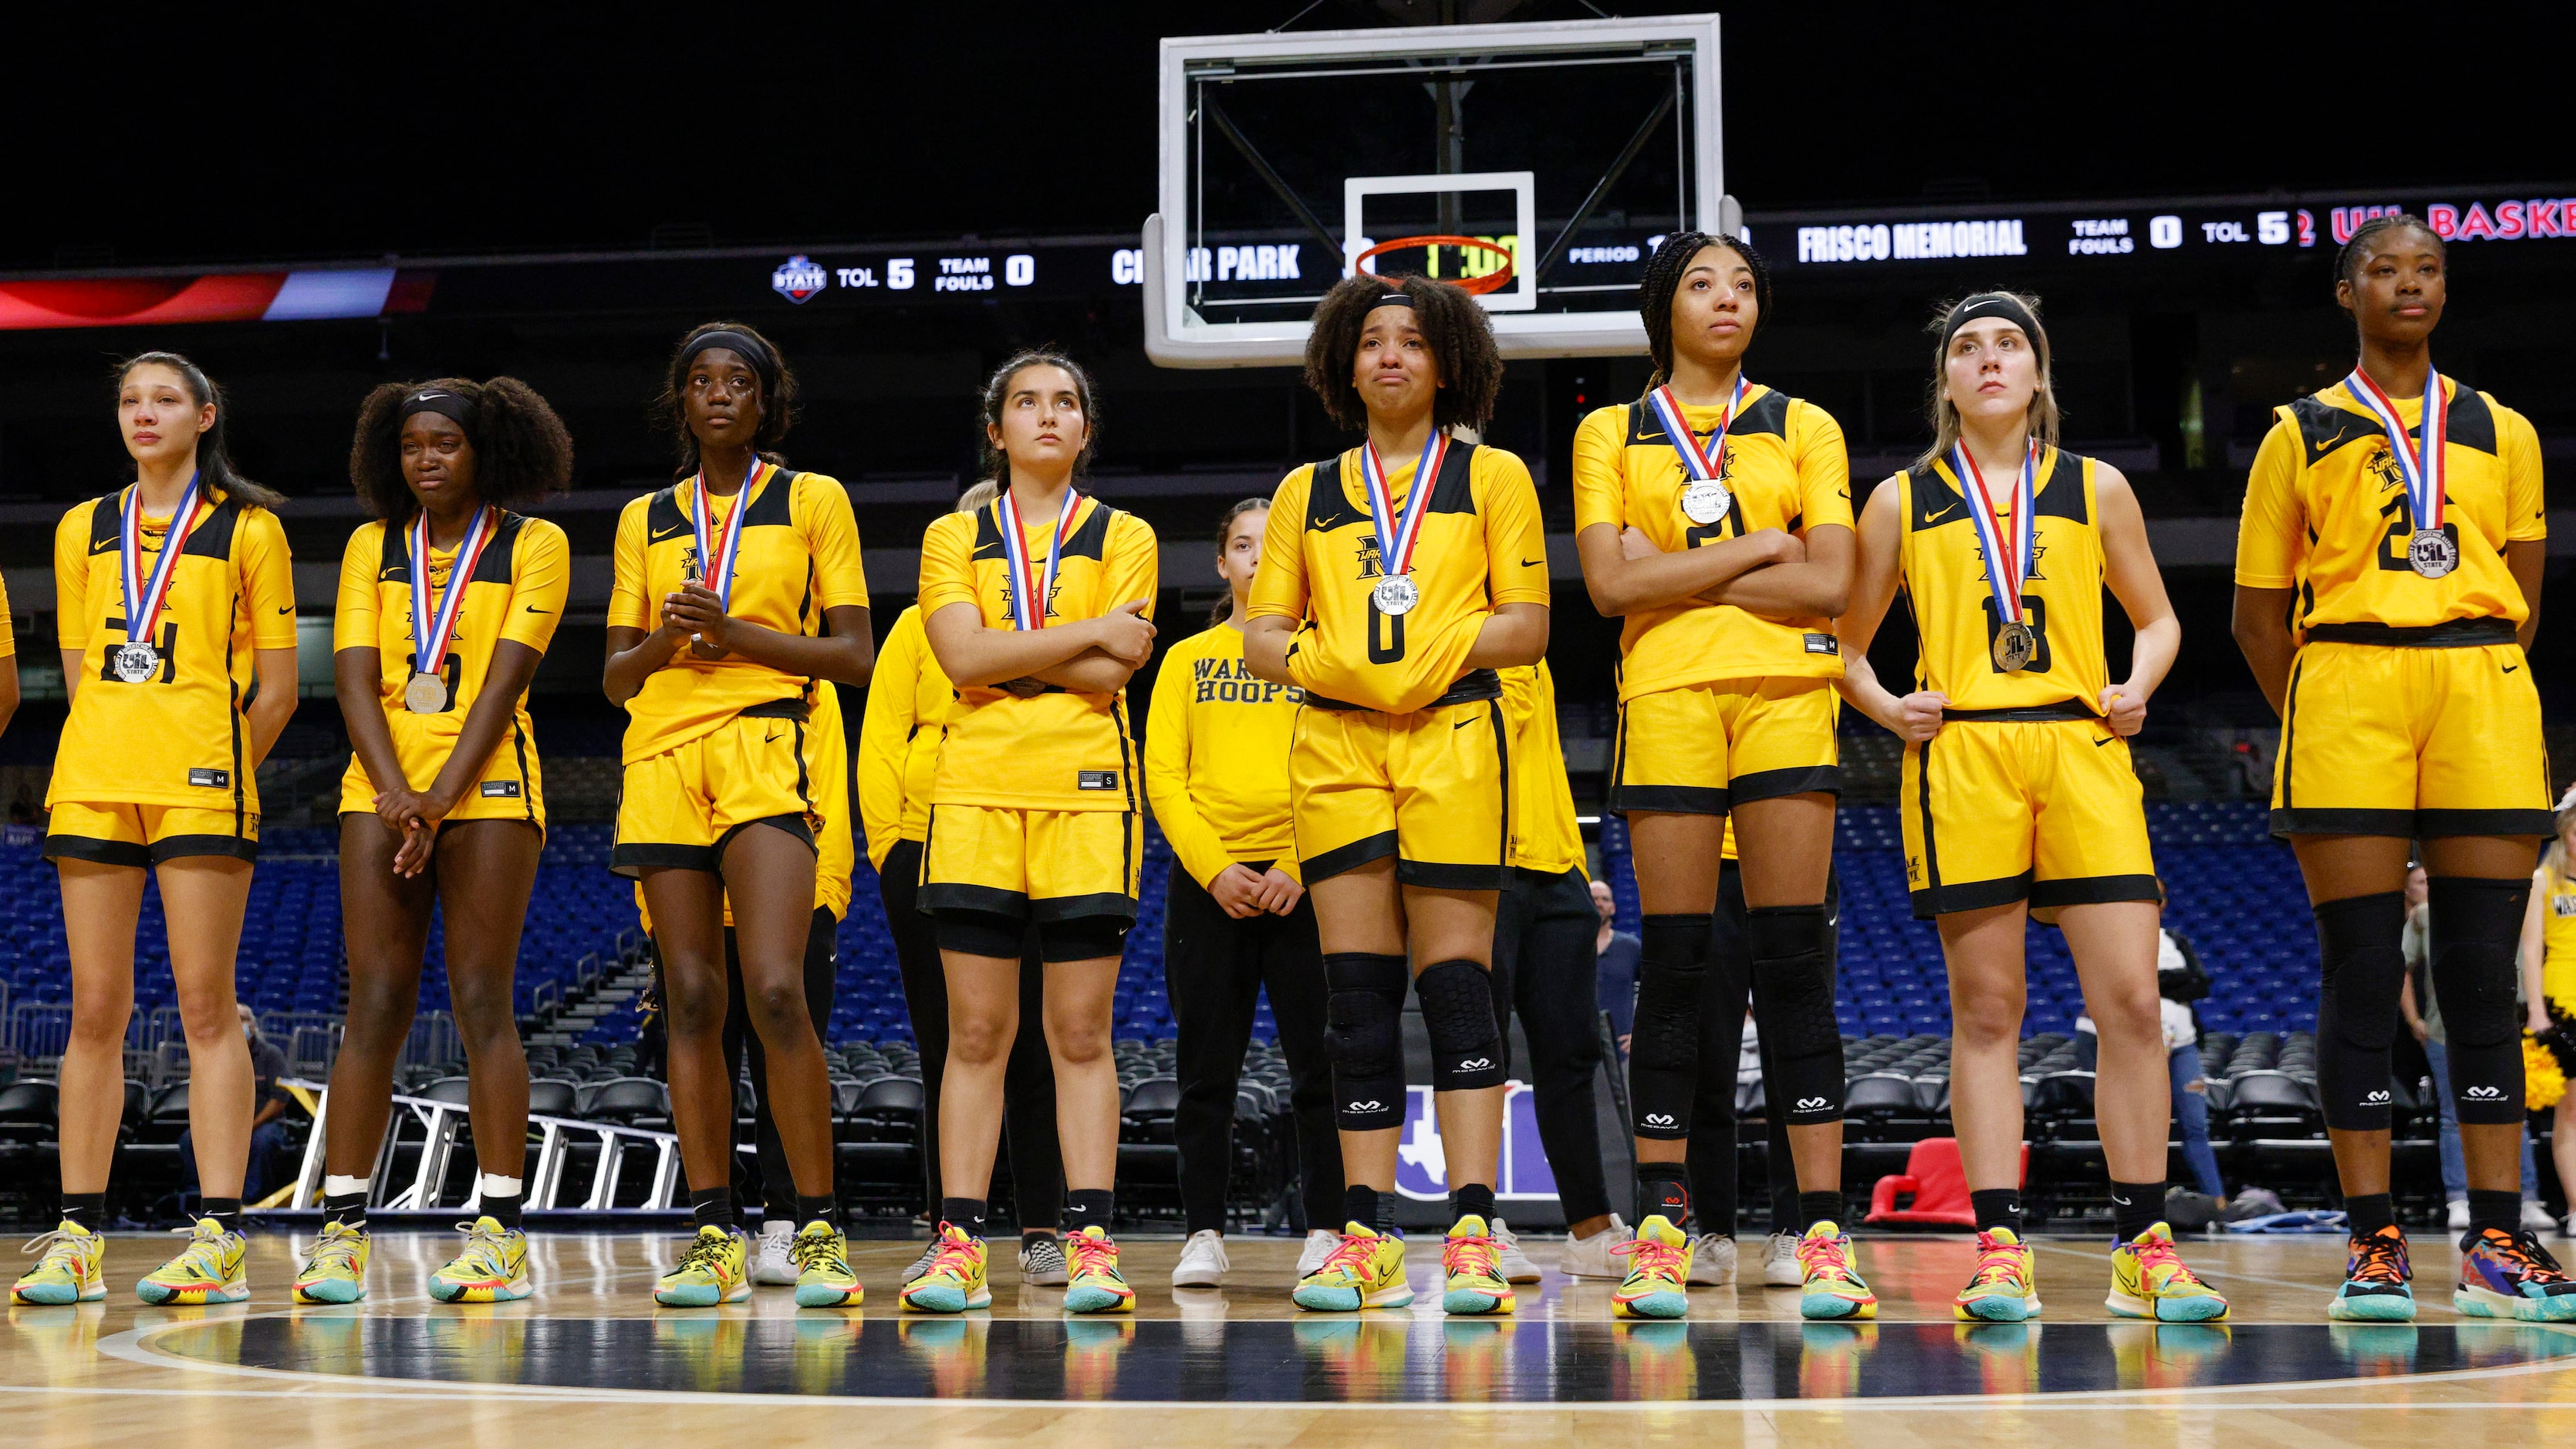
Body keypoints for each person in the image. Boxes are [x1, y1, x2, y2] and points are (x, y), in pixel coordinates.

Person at [1840, 292, 2225, 1325]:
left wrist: (2136, 680)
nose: (1988, 360)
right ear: (1946, 384)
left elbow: (2156, 619)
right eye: (1967, 349)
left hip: (2081, 745)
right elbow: (1838, 645)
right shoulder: (1898, 501)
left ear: (2038, 371)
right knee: (1987, 1010)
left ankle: (2143, 1243)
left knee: (2133, 1006)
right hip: (1962, 750)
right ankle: (1996, 1246)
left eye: (2008, 343)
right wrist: (1886, 703)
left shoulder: (2095, 488)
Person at [2232, 214, 2574, 1322]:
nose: (2407, 283)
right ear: (2346, 293)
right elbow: (2251, 616)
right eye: (2383, 269)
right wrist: (2326, 700)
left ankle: (2491, 1235)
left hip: (2474, 680)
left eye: (2426, 268)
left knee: (2479, 978)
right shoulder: (2296, 430)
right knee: (2359, 974)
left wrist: (2458, 671)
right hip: (2343, 685)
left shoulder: (2502, 429)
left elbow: (2518, 590)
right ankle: (2370, 1240)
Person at [1242, 272, 1549, 1317]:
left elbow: (1526, 624)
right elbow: (1261, 636)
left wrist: (1422, 663)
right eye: (1369, 340)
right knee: (1358, 998)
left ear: (1446, 361)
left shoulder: (1494, 475)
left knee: (1459, 989)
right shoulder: (1303, 490)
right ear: (1342, 361)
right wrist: (1357, 676)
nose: (1388, 356)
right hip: (1335, 749)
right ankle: (1362, 1230)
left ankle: (1470, 1223)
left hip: (1455, 736)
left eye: (1410, 341)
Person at [1571, 231, 1865, 1322]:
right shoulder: (1609, 429)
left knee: (1793, 960)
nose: (1727, 298)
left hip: (1788, 697)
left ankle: (1815, 1228)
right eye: (1702, 282)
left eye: (1742, 283)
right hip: (1665, 703)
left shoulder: (1804, 422)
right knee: (1677, 967)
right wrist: (1757, 550)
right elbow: (1606, 585)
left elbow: (1829, 579)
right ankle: (1664, 1221)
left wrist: (1677, 577)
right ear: (1662, 306)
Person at [9, 353, 296, 1309]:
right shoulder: (81, 528)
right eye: (130, 400)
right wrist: (122, 747)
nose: (144, 413)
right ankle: (77, 1238)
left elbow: (281, 690)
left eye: (164, 399)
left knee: (206, 1007)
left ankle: (218, 1236)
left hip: (202, 784)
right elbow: (86, 672)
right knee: (96, 1010)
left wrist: (211, 768)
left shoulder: (250, 529)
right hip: (94, 779)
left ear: (206, 416)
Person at [606, 322, 873, 1309]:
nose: (719, 395)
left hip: (769, 746)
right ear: (682, 402)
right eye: (702, 382)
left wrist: (739, 633)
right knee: (691, 997)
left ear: (767, 402)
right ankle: (712, 1230)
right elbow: (614, 676)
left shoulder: (813, 500)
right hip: (665, 755)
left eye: (739, 383)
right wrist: (671, 646)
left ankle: (815, 1229)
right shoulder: (646, 517)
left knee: (774, 989)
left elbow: (854, 655)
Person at [292, 376, 572, 1306]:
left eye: (444, 444)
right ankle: (340, 1230)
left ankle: (499, 1229)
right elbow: (355, 680)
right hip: (377, 792)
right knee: (372, 1002)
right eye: (412, 444)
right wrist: (398, 797)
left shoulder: (535, 543)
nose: (426, 459)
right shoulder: (372, 545)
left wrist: (438, 800)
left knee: (483, 999)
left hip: (486, 789)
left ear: (485, 451)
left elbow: (503, 682)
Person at [906, 350, 1159, 1316]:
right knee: (975, 1033)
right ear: (996, 429)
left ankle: (1091, 1241)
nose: (1047, 416)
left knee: (1081, 1032)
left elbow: (1115, 671)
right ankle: (960, 1242)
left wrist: (1002, 659)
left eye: (1065, 403)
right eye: (1026, 402)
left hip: (1088, 797)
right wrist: (1075, 638)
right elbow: (958, 654)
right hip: (971, 797)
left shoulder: (1126, 533)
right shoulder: (949, 536)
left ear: (1085, 431)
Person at [859, 481, 1067, 1289]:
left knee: (1038, 1049)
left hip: (1034, 832)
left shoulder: (1053, 619)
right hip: (928, 841)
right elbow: (882, 739)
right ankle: (956, 1231)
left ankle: (1045, 1229)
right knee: (947, 1043)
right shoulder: (917, 626)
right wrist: (890, 849)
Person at [1150, 498, 1342, 1289]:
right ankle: (1203, 1234)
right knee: (1206, 1072)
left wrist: (1299, 862)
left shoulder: (1322, 655)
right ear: (1222, 564)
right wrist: (1214, 867)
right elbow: (1163, 774)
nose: (1259, 558)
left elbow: (1345, 766)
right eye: (1242, 545)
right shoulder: (1186, 659)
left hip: (1308, 882)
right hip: (1210, 886)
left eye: (1274, 546)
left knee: (1321, 1069)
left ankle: (1329, 1229)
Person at [1487, 659, 1626, 1282]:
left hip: (1554, 862)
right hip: (1470, 859)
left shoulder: (1531, 646)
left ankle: (1590, 1227)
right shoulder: (1434, 627)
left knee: (1570, 1054)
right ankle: (1479, 1223)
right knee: (1474, 1054)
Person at [2411, 863, 2552, 1230]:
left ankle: (2528, 1198)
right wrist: (2414, 1020)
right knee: (2452, 1116)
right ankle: (2459, 1197)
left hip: (2507, 1027)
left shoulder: (2515, 912)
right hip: (2445, 1030)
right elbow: (2400, 965)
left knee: (2513, 1115)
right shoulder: (2426, 914)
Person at [180, 1005, 292, 1207]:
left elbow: (280, 1098)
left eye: (242, 1019)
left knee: (262, 1142)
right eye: (233, 1018)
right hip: (224, 1126)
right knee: (189, 1138)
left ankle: (248, 1202)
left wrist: (251, 1125)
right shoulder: (218, 1055)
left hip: (264, 1124)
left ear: (253, 1024)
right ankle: (198, 1196)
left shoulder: (271, 1055)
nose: (238, 1023)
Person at [2527, 790, 2576, 1237]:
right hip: (2565, 1004)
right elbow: (2529, 951)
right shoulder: (2544, 880)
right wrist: (2537, 1012)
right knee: (2572, 1112)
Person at [1592, 879, 1639, 1059]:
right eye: (1594, 898)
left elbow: (1655, 993)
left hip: (1623, 1049)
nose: (1599, 903)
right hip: (1580, 1049)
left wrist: (1641, 1033)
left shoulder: (1631, 947)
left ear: (1613, 907)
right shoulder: (1572, 947)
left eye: (1604, 899)